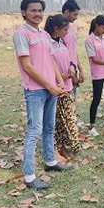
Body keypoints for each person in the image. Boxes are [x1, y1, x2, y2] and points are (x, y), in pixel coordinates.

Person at [13, 0, 71, 190]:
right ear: (24, 13)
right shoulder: (22, 34)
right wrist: (49, 85)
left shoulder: (44, 34)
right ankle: (29, 176)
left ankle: (51, 161)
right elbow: (27, 66)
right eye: (33, 11)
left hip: (51, 88)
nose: (37, 14)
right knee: (34, 131)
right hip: (36, 90)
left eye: (40, 11)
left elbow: (50, 58)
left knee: (49, 127)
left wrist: (59, 80)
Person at [44, 14, 80, 160]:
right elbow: (46, 64)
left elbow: (68, 58)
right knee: (58, 121)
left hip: (68, 86)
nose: (67, 33)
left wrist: (71, 68)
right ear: (56, 29)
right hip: (57, 87)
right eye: (65, 30)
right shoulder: (47, 43)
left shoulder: (61, 42)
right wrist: (58, 76)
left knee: (69, 118)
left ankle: (67, 145)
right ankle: (57, 149)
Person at [62, 0, 84, 99]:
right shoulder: (57, 29)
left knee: (72, 99)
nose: (76, 17)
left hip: (73, 69)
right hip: (64, 70)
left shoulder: (72, 28)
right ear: (67, 12)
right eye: (74, 14)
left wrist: (79, 69)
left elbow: (73, 50)